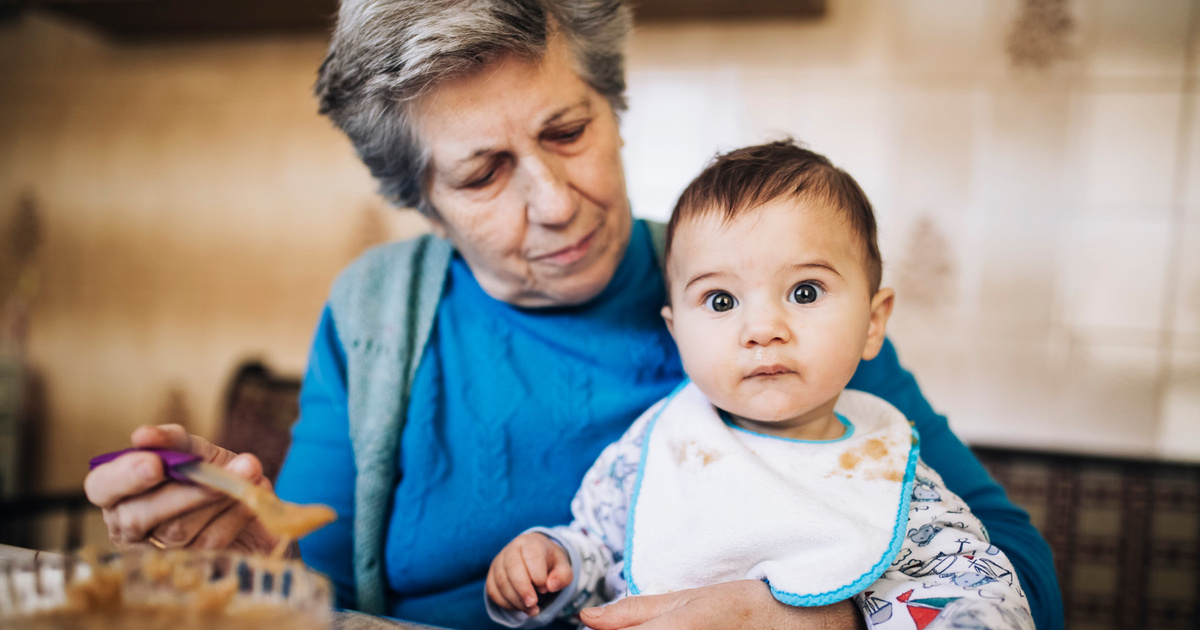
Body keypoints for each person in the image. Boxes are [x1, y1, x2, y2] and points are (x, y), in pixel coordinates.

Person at [82, 2, 1063, 629]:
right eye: (483, 173)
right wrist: (250, 569)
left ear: (616, 108)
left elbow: (1019, 579)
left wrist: (806, 620)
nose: (553, 200)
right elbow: (320, 593)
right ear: (423, 201)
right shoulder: (378, 312)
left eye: (568, 130)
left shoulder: (762, 293)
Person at [485, 141, 1033, 630]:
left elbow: (982, 597)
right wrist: (556, 562)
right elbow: (605, 551)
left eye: (805, 291)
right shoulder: (661, 443)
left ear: (873, 321)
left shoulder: (889, 472)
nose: (763, 329)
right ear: (677, 332)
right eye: (721, 301)